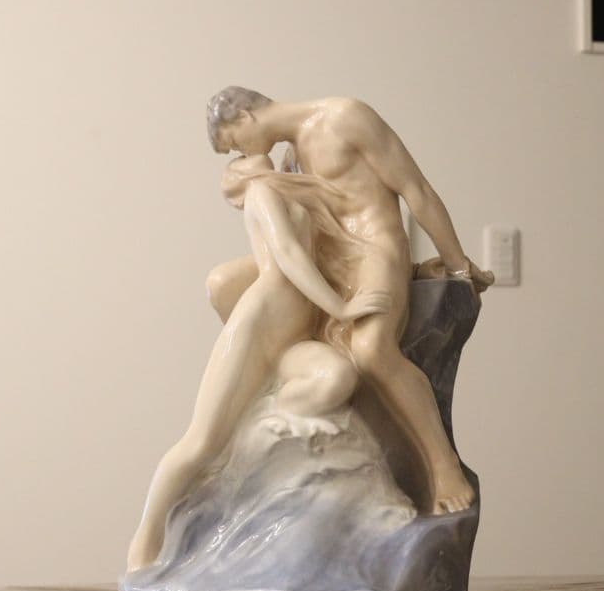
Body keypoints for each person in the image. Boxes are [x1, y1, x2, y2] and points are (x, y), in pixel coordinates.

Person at [206, 87, 493, 514]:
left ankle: (441, 464)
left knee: (371, 348)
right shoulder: (289, 157)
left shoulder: (346, 117)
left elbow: (417, 190)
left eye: (233, 142)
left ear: (245, 116)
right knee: (222, 283)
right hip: (326, 260)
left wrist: (457, 267)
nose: (239, 153)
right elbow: (291, 238)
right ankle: (288, 376)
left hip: (373, 250)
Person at [126, 154, 389, 572]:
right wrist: (340, 308)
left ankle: (269, 418)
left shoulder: (309, 200)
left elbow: (351, 253)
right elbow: (286, 252)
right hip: (259, 326)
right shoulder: (262, 190)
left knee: (337, 377)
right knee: (201, 442)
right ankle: (144, 545)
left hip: (293, 339)